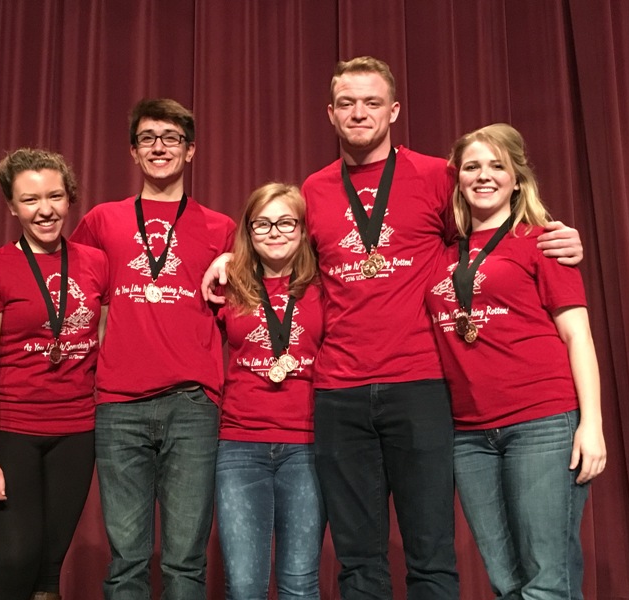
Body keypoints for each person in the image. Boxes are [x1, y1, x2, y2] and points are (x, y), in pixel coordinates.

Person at [202, 56, 584, 600]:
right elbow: (278, 243)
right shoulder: (314, 189)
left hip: (420, 385)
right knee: (358, 558)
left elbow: (491, 221)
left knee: (430, 553)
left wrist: (553, 233)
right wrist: (229, 258)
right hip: (339, 392)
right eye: (347, 104)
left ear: (394, 111)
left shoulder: (436, 176)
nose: (359, 113)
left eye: (372, 103)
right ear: (330, 114)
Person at [0, 99, 236, 599]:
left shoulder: (221, 228)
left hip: (190, 405)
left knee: (184, 562)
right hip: (116, 407)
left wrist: (235, 257)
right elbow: (57, 275)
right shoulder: (103, 223)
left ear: (191, 150)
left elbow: (257, 290)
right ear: (133, 151)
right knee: (123, 562)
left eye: (171, 137)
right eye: (147, 138)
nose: (159, 147)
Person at [425, 123, 606, 599]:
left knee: (546, 580)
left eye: (497, 166)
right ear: (458, 179)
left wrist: (591, 424)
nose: (484, 176)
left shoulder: (543, 241)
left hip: (542, 423)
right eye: (472, 166)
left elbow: (577, 335)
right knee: (506, 582)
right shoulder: (439, 253)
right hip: (469, 433)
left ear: (517, 178)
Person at [0, 148, 109, 600]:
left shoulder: (97, 263)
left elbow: (105, 340)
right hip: (10, 434)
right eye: (30, 200)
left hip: (76, 435)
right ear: (12, 206)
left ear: (69, 198)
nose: (45, 210)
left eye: (55, 196)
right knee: (14, 563)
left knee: (47, 572)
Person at [216, 182, 324, 599]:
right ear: (248, 231)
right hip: (240, 445)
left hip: (307, 445)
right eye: (262, 224)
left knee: (299, 583)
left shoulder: (325, 286)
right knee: (245, 586)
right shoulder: (228, 286)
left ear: (303, 229)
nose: (274, 232)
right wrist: (224, 260)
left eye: (285, 222)